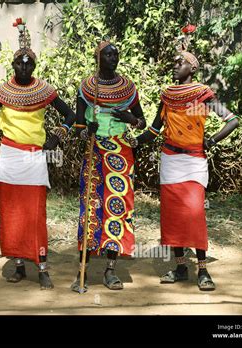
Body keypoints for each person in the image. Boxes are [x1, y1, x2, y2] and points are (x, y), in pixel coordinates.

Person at [0, 18, 76, 290]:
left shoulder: (44, 91)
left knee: (35, 213)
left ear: (34, 65)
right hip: (10, 157)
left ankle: (42, 266)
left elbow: (70, 115)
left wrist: (58, 135)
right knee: (12, 213)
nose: (23, 66)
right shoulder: (2, 92)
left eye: (28, 63)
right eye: (19, 62)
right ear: (12, 65)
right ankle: (19, 264)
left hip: (34, 159)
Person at [134, 42, 240, 291]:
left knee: (194, 216)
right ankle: (181, 267)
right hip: (170, 161)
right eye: (174, 63)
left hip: (193, 163)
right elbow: (153, 130)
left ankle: (202, 270)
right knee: (172, 218)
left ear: (192, 68)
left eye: (179, 63)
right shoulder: (167, 95)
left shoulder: (203, 93)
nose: (175, 66)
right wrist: (133, 143)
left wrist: (211, 140)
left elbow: (232, 120)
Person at [70, 41, 146, 292]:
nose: (114, 58)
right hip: (95, 150)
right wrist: (86, 130)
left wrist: (130, 118)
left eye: (116, 54)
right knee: (90, 207)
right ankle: (82, 270)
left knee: (118, 206)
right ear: (98, 58)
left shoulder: (128, 88)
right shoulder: (86, 88)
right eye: (109, 54)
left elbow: (142, 122)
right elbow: (79, 127)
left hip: (122, 152)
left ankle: (111, 271)